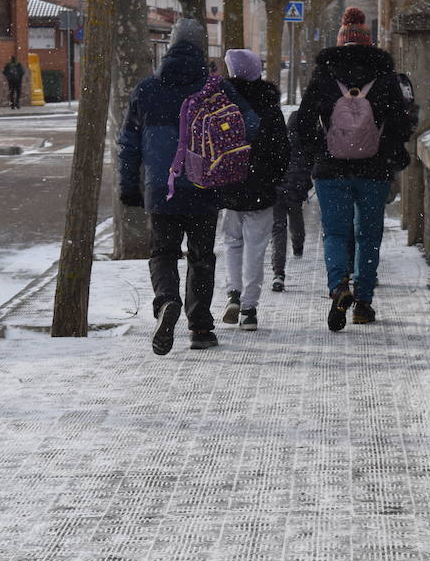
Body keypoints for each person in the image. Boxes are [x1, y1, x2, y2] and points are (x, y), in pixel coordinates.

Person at [118, 19, 256, 355]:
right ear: (201, 48)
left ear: (169, 45)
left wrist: (129, 186)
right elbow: (249, 124)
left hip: (159, 188)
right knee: (201, 256)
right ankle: (200, 327)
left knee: (163, 252)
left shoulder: (146, 89)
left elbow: (128, 143)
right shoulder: (215, 88)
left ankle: (167, 301)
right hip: (203, 184)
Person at [289, 6, 414, 332]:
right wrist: (387, 151)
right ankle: (364, 303)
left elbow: (302, 123)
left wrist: (321, 148)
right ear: (368, 42)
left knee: (335, 233)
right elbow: (401, 124)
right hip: (374, 170)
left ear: (340, 40)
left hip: (331, 170)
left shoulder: (324, 74)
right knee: (368, 235)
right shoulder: (385, 75)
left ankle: (339, 285)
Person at [217, 49, 289, 330]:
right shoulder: (269, 106)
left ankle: (233, 293)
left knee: (232, 243)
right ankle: (248, 308)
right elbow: (282, 150)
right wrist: (272, 177)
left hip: (229, 183)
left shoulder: (221, 103)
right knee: (256, 248)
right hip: (260, 186)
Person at [270, 121, 312, 293]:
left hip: (276, 194)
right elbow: (306, 171)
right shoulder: (303, 145)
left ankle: (278, 272)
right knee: (296, 220)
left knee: (278, 230)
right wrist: (303, 188)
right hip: (294, 193)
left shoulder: (276, 141)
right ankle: (298, 244)